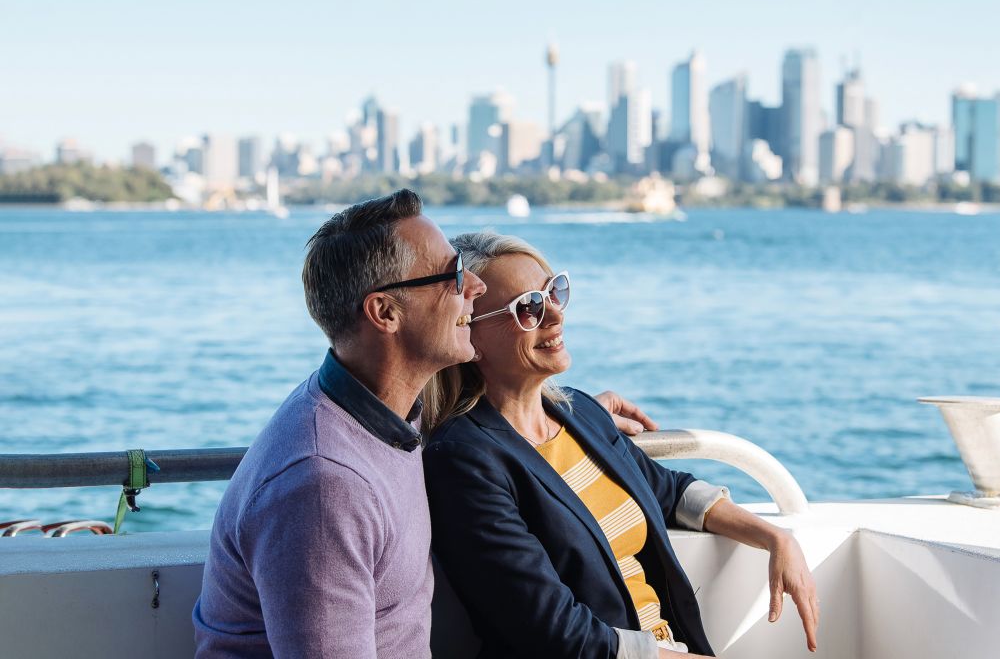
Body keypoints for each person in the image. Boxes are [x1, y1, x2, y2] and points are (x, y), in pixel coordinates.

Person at [193, 190, 657, 658]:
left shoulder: (387, 420)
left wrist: (576, 420)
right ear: (385, 313)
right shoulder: (324, 485)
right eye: (453, 275)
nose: (475, 287)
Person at [423, 232, 820, 659]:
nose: (555, 315)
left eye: (553, 292)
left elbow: (669, 490)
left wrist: (775, 537)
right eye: (528, 308)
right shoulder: (463, 460)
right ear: (471, 336)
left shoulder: (579, 413)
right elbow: (553, 631)